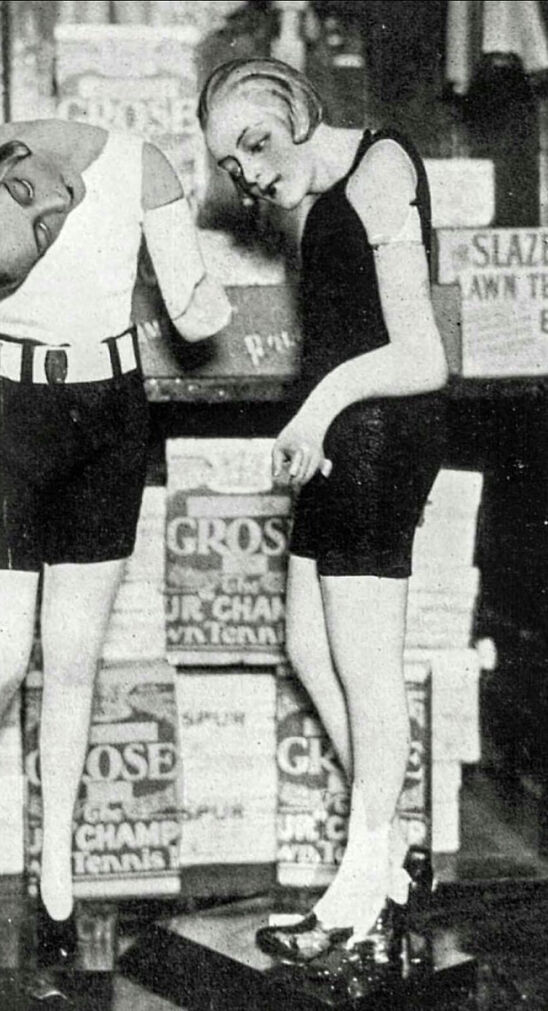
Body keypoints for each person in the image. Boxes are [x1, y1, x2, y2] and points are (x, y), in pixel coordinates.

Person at [0, 119, 230, 964]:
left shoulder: (139, 164)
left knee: (73, 660)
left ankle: (56, 871)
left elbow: (197, 317)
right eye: (36, 219)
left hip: (109, 422)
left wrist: (197, 278)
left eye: (45, 217)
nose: (53, 216)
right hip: (7, 420)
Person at [199, 59, 448, 970]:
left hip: (378, 435)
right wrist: (316, 415)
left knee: (368, 670)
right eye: (232, 164)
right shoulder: (323, 194)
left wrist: (314, 408)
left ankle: (360, 895)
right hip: (343, 436)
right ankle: (390, 850)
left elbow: (421, 354)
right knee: (311, 644)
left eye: (256, 144)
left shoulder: (382, 169)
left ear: (296, 111)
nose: (251, 174)